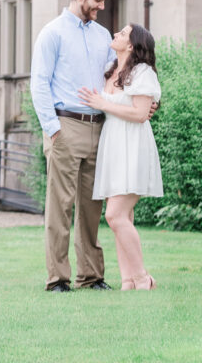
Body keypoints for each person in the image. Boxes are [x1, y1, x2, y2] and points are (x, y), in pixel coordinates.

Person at [30, 0, 115, 292]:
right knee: (60, 206)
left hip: (98, 127)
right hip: (64, 125)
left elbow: (114, 77)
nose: (101, 6)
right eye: (97, 0)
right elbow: (38, 83)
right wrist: (52, 129)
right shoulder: (52, 33)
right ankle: (58, 278)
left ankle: (91, 276)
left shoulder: (103, 35)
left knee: (93, 207)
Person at [78, 24, 163, 291]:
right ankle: (127, 281)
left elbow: (140, 114)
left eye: (123, 33)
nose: (116, 34)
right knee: (122, 216)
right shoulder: (110, 69)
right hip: (113, 142)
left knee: (115, 215)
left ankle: (142, 277)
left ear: (132, 45)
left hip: (132, 143)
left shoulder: (142, 72)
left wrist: (103, 104)